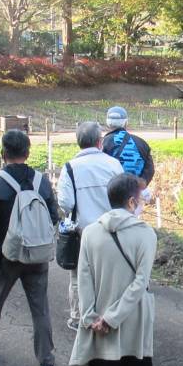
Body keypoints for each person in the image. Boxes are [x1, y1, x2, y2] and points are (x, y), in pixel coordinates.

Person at [69, 173, 159, 366]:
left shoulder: (91, 231)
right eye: (141, 199)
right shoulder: (145, 234)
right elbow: (140, 282)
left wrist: (91, 317)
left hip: (99, 315)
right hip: (134, 314)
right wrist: (114, 317)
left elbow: (83, 277)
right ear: (132, 202)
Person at [0, 129, 60, 366]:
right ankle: (46, 359)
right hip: (37, 253)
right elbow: (53, 215)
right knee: (40, 307)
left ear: (3, 153)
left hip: (6, 253)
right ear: (28, 152)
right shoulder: (42, 181)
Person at [57, 121, 124, 330]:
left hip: (83, 232)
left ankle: (79, 317)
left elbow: (65, 203)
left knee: (79, 276)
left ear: (79, 142)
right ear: (99, 141)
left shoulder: (69, 168)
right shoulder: (114, 164)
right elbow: (123, 197)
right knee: (109, 274)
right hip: (112, 230)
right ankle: (108, 316)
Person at [102, 106, 155, 185]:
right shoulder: (141, 143)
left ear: (107, 123)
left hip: (111, 191)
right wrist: (139, 187)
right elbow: (150, 170)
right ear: (126, 122)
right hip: (135, 192)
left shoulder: (102, 143)